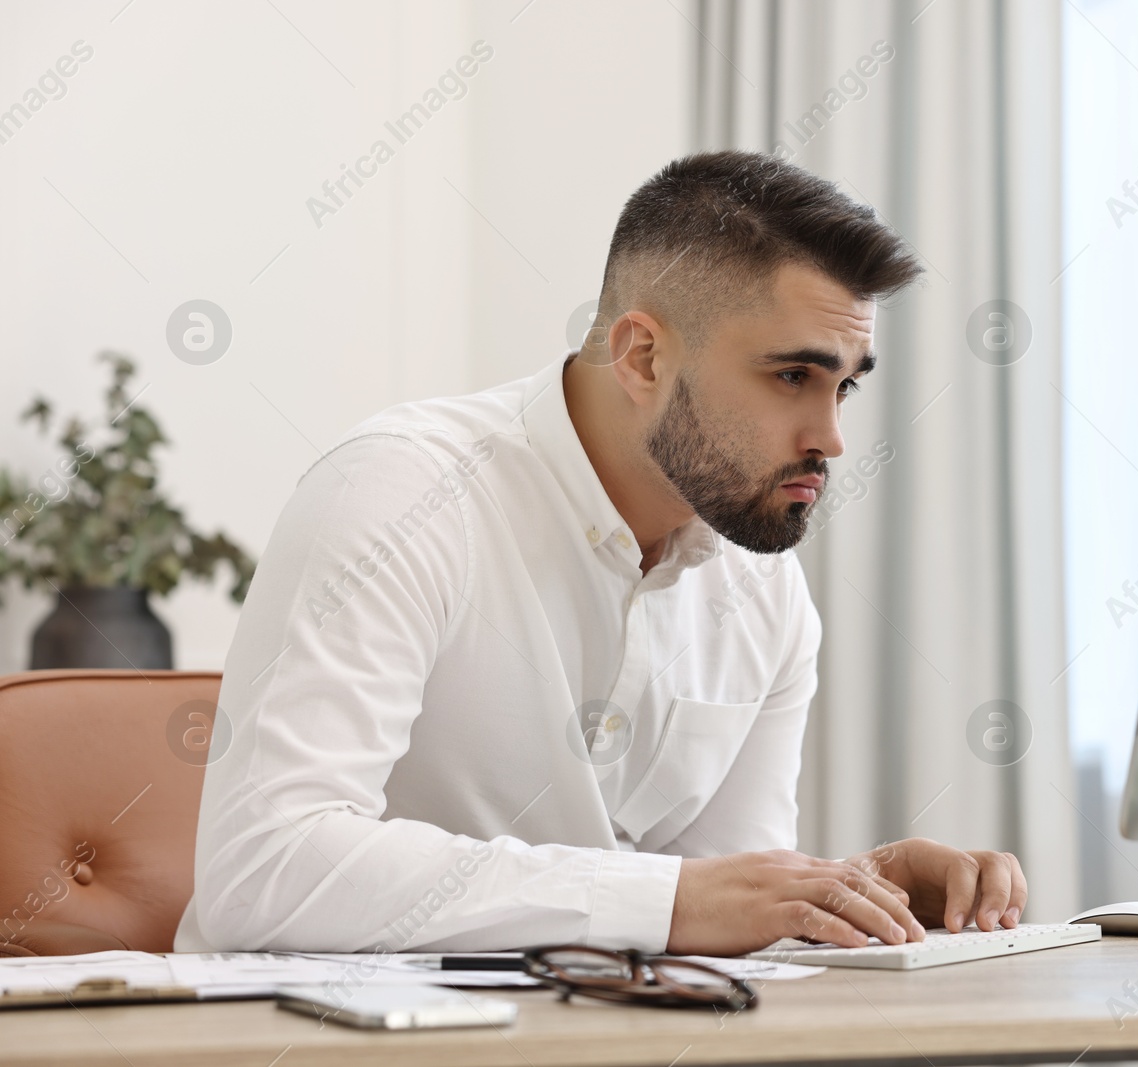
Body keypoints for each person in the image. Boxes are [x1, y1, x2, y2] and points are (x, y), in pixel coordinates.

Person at [177, 150, 1027, 956]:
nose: (832, 438)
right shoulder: (399, 496)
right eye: (791, 377)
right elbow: (263, 870)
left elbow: (724, 912)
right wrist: (671, 901)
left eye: (844, 384)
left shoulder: (763, 591)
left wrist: (844, 893)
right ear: (643, 355)